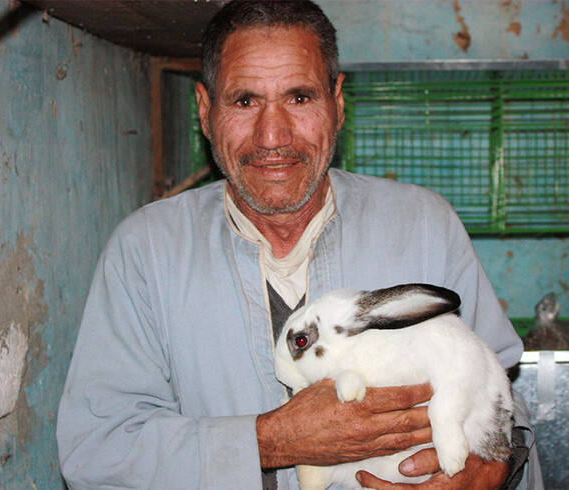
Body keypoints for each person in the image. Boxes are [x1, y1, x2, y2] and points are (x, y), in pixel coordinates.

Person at [57, 1, 542, 488]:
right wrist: (268, 441)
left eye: (300, 98)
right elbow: (99, 451)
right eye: (245, 101)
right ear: (205, 111)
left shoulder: (423, 226)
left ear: (337, 102)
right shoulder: (145, 252)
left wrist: (491, 464)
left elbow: (500, 387)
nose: (272, 136)